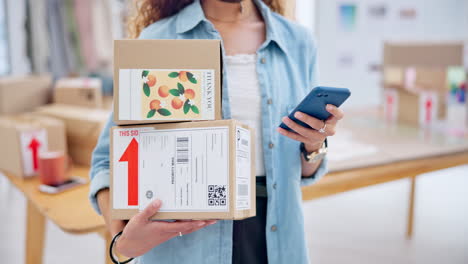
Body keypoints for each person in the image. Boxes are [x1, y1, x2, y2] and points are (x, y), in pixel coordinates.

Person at [89, 0, 345, 263]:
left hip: (277, 241)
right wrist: (122, 237)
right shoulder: (160, 38)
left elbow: (302, 169)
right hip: (187, 247)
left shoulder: (297, 42)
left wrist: (315, 144)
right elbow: (106, 162)